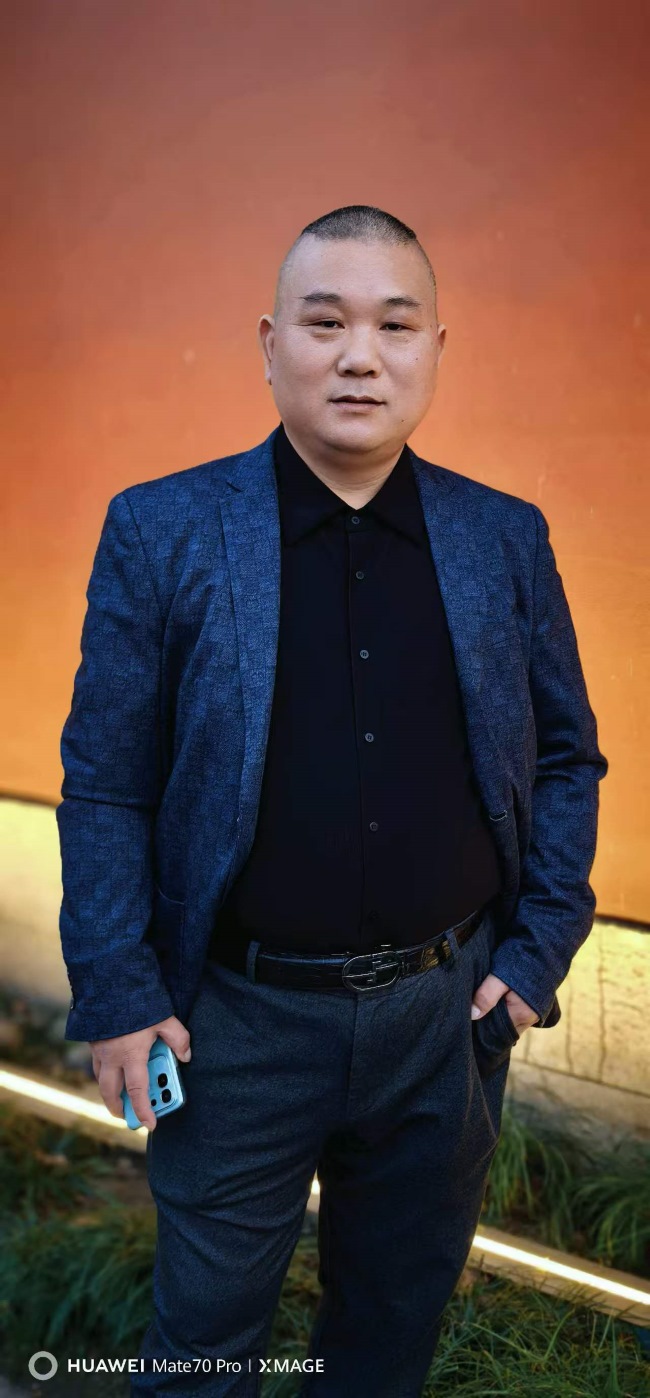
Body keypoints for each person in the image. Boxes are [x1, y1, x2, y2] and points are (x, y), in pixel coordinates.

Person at [56, 204, 608, 1396]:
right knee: (200, 1353)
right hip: (233, 1026)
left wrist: (537, 953)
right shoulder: (162, 531)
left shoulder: (500, 540)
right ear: (269, 345)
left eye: (393, 326)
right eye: (324, 323)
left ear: (433, 351)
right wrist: (117, 990)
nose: (360, 355)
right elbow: (105, 783)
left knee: (384, 1343)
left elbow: (567, 757)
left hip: (445, 1018)